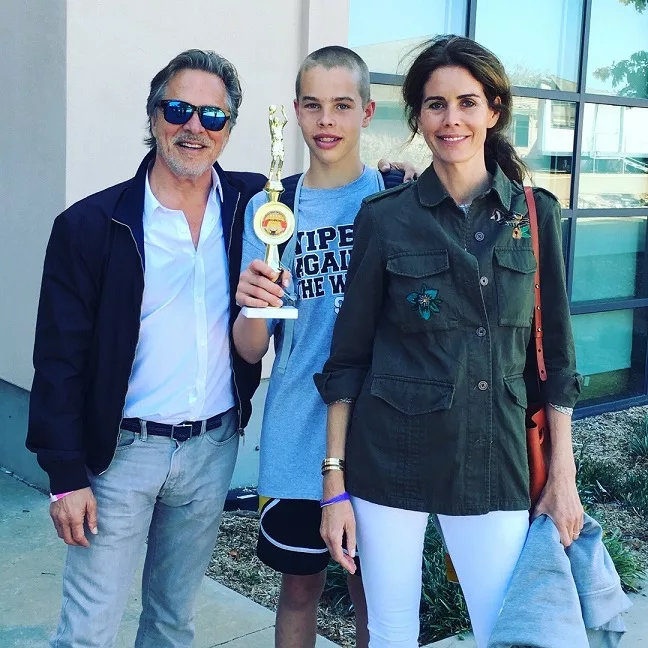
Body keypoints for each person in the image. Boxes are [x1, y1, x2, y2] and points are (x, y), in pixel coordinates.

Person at [315, 35, 584, 648]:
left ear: (493, 110)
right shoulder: (385, 218)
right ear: (417, 117)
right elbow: (349, 356)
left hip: (496, 461)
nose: (451, 119)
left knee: (504, 629)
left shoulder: (534, 215)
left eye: (467, 102)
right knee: (389, 630)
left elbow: (558, 362)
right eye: (435, 105)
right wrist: (335, 479)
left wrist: (561, 477)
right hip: (390, 459)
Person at [26, 49, 267, 648]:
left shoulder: (255, 208)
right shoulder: (90, 226)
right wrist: (65, 475)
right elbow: (58, 361)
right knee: (87, 630)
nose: (195, 128)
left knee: (172, 622)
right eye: (180, 109)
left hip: (212, 448)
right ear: (154, 115)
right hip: (119, 455)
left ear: (229, 130)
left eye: (214, 117)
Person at [233, 46, 415, 648]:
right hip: (297, 432)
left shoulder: (398, 201)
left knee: (373, 593)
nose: (326, 121)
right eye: (313, 106)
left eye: (342, 105)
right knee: (301, 589)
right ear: (295, 114)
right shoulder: (270, 208)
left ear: (366, 112)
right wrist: (255, 302)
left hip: (382, 434)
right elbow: (251, 349)